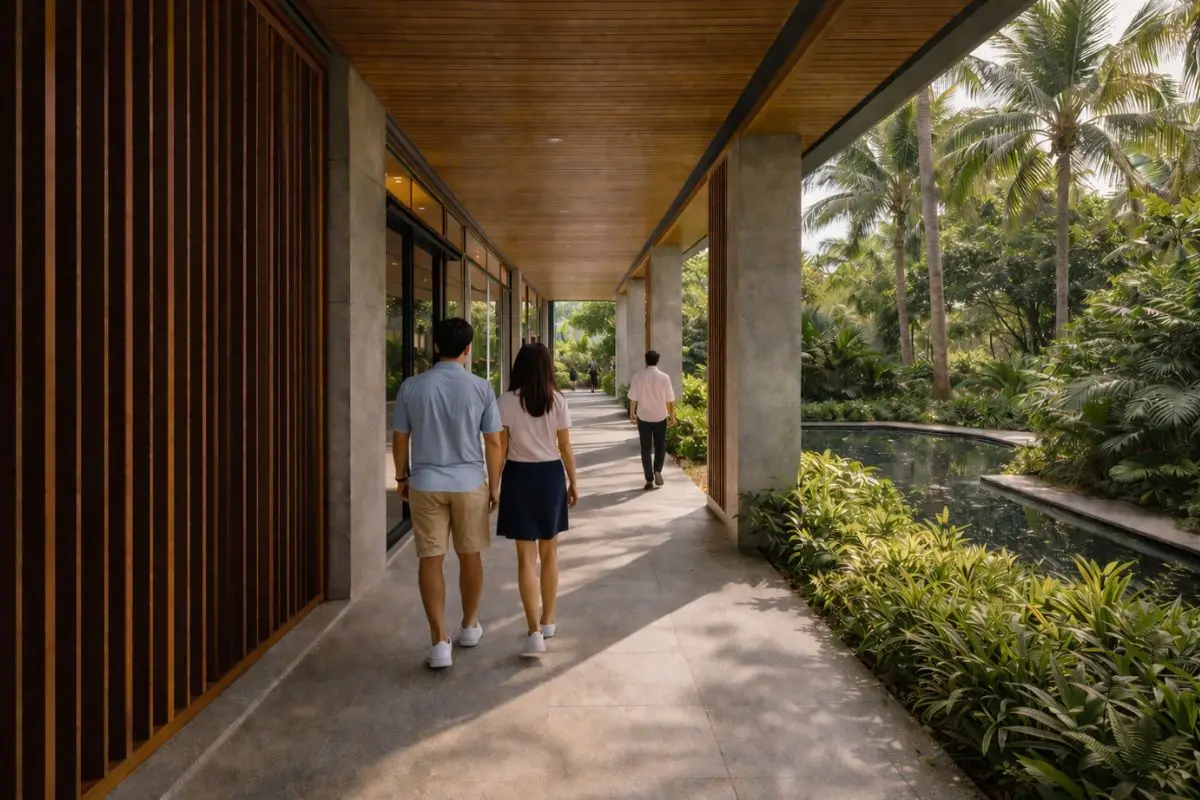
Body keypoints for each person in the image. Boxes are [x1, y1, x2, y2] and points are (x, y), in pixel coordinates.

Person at [393, 318, 505, 669]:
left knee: (431, 559)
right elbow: (494, 441)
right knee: (470, 555)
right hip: (469, 483)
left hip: (426, 483)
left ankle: (439, 641)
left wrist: (402, 476)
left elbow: (400, 438)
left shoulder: (411, 387)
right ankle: (469, 626)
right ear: (468, 350)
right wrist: (494, 485)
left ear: (436, 347)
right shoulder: (481, 388)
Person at [496, 344, 579, 656]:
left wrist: (493, 485)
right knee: (550, 553)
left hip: (518, 477)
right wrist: (574, 481)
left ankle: (533, 631)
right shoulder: (557, 400)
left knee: (525, 558)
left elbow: (500, 447)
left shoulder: (506, 401)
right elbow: (565, 445)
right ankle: (548, 621)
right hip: (549, 477)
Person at [627, 350, 676, 490]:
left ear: (646, 361)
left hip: (644, 417)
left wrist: (632, 413)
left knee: (646, 448)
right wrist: (672, 416)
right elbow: (670, 399)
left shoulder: (638, 377)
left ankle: (649, 479)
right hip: (660, 417)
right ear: (657, 361)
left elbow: (633, 398)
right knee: (660, 446)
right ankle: (658, 470)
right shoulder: (665, 377)